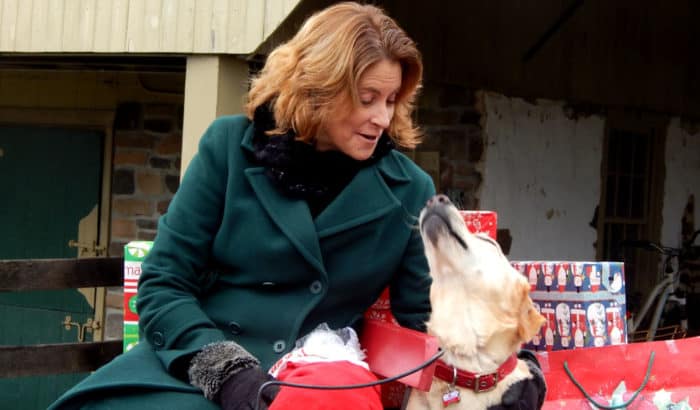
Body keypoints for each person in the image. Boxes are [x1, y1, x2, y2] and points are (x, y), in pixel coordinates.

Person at [49, 2, 435, 409]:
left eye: (391, 100)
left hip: (316, 378)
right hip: (197, 367)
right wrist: (227, 374)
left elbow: (427, 321)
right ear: (319, 87)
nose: (381, 118)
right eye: (367, 98)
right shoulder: (229, 149)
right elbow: (164, 284)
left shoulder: (410, 190)